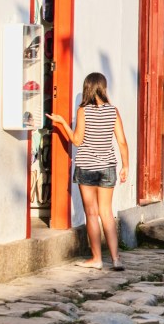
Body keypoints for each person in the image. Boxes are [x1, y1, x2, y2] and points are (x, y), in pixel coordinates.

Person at [47, 73, 129, 271]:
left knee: (91, 214)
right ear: (103, 87)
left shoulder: (83, 111)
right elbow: (122, 141)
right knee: (106, 213)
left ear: (87, 88)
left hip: (87, 167)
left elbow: (77, 140)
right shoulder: (113, 111)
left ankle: (97, 259)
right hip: (108, 167)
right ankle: (116, 259)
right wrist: (125, 166)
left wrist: (62, 123)